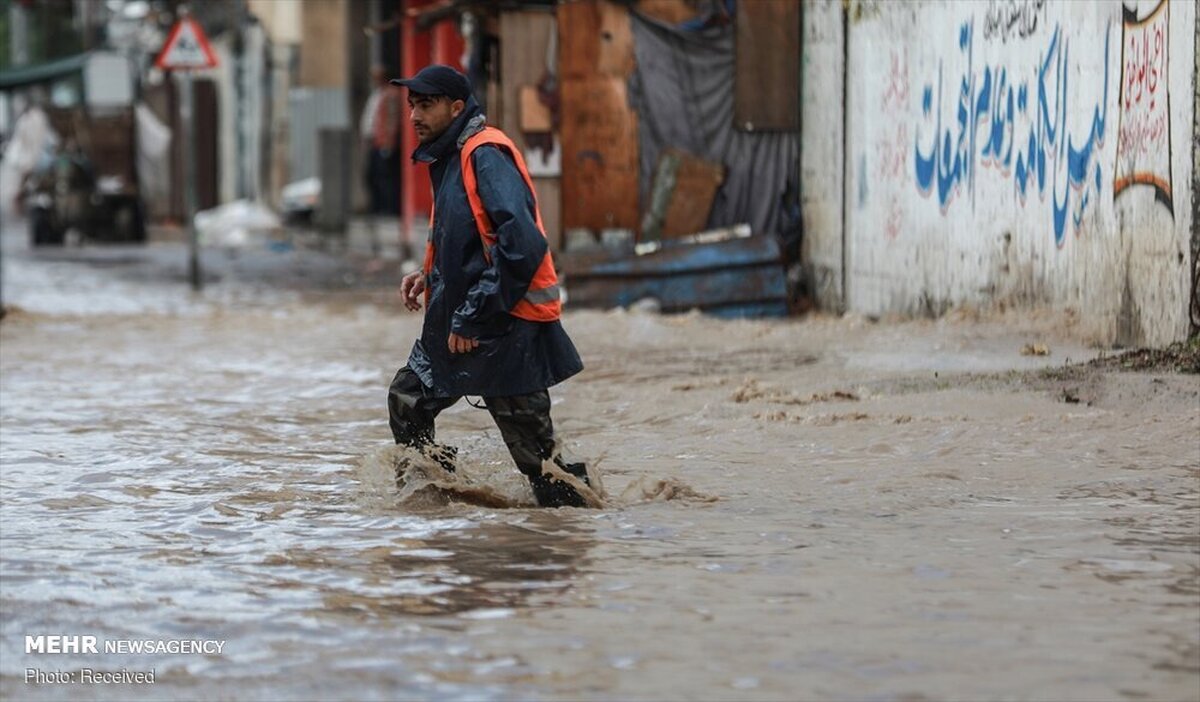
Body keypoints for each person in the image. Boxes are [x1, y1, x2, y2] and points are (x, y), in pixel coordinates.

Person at [386, 64, 591, 508]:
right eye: (412, 106)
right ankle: (439, 496)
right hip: (461, 323)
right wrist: (430, 273)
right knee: (407, 400)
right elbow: (470, 235)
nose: (414, 116)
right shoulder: (448, 157)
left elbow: (522, 245)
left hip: (502, 327)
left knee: (542, 466)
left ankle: (580, 532)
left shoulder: (484, 154)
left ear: (456, 108)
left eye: (426, 105)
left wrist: (474, 315)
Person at [361, 65, 402, 217]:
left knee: (386, 178)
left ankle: (388, 209)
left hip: (384, 143)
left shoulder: (391, 94)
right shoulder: (378, 93)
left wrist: (389, 143)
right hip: (375, 142)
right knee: (373, 176)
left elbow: (392, 120)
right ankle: (377, 207)